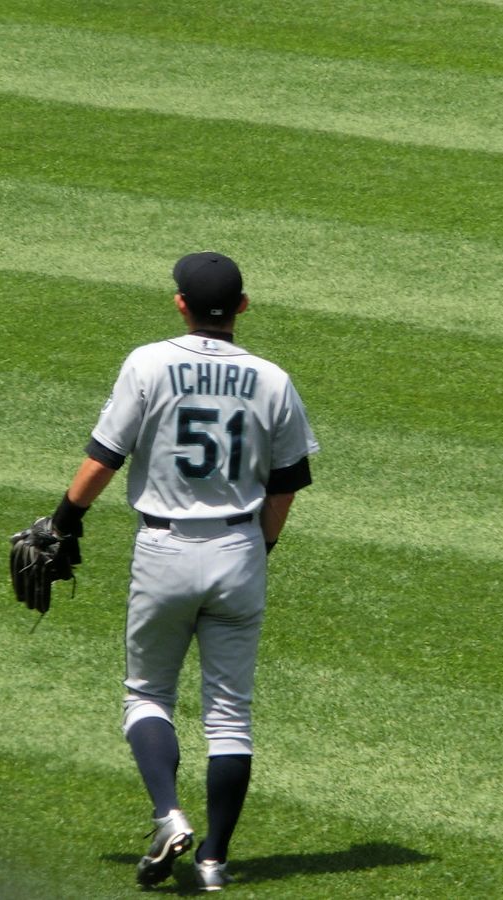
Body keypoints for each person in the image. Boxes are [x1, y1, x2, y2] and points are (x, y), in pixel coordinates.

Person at [44, 251, 318, 891]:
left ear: (179, 304)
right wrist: (258, 550)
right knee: (230, 716)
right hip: (239, 550)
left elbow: (104, 458)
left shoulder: (148, 363)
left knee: (147, 694)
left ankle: (169, 815)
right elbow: (286, 485)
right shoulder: (273, 379)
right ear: (242, 307)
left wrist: (63, 520)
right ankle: (214, 862)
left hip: (163, 549)